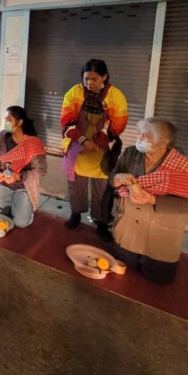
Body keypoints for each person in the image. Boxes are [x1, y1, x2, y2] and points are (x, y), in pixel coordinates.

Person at [111, 118, 188, 284]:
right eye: (140, 133)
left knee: (159, 278)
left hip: (160, 233)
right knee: (120, 268)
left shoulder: (183, 167)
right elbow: (114, 174)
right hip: (128, 228)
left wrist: (153, 199)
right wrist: (117, 178)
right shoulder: (131, 153)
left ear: (164, 142)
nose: (140, 138)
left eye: (146, 135)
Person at [61, 59, 128, 241]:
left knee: (102, 191)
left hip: (103, 150)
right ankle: (75, 214)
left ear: (104, 77)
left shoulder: (116, 96)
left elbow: (118, 125)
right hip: (78, 148)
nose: (89, 83)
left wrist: (98, 142)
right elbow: (67, 120)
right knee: (76, 187)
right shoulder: (74, 93)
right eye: (86, 79)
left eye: (94, 79)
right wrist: (83, 142)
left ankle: (101, 222)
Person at [0, 106, 48, 227]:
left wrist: (18, 176)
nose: (6, 123)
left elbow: (41, 171)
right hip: (3, 182)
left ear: (19, 122)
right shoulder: (1, 137)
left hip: (23, 186)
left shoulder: (33, 143)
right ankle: (11, 206)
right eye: (5, 120)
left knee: (21, 223)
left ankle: (23, 209)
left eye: (9, 120)